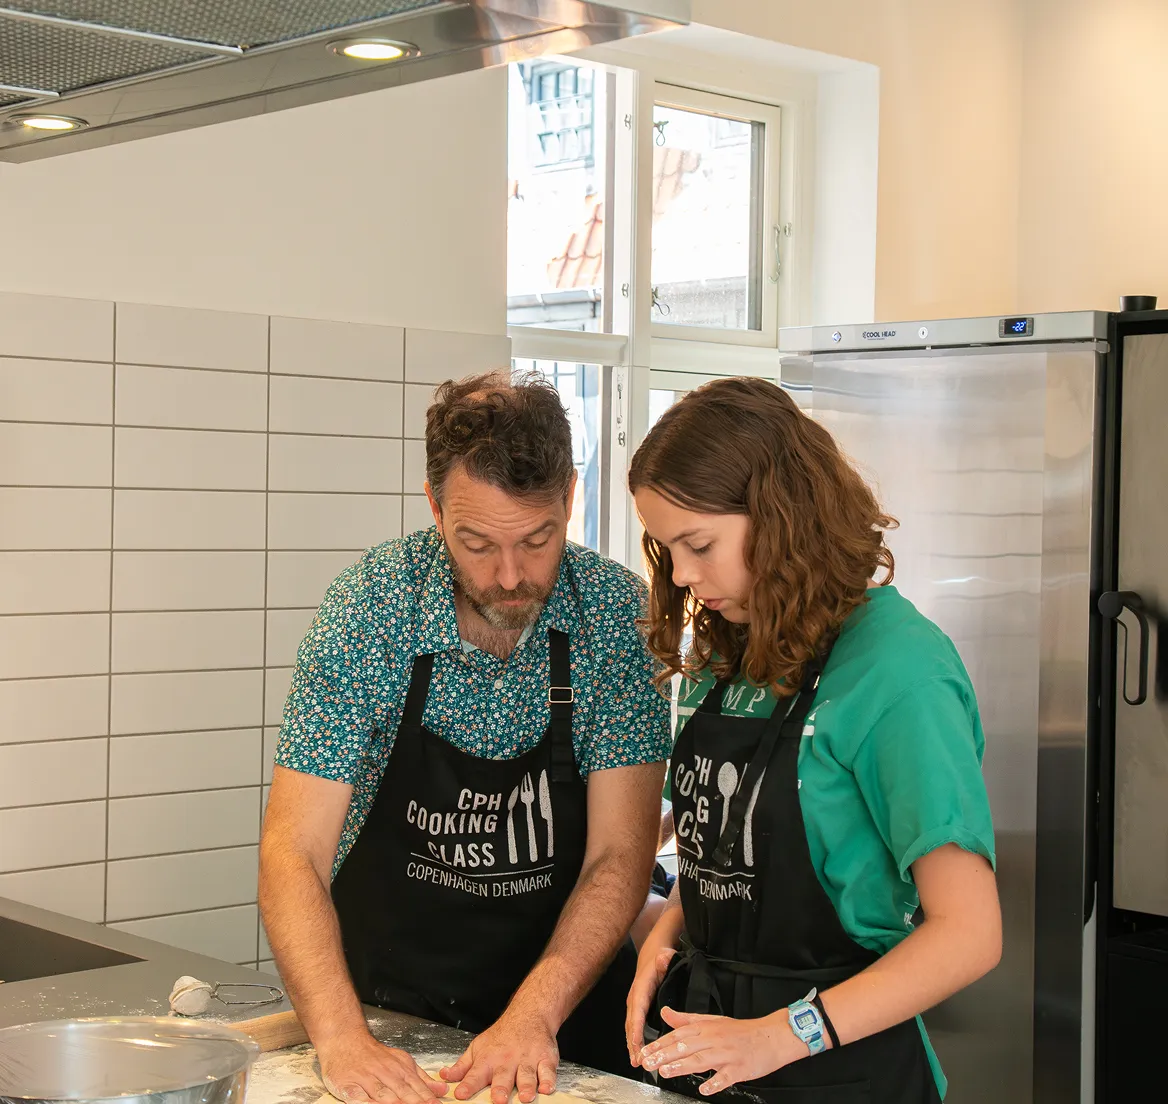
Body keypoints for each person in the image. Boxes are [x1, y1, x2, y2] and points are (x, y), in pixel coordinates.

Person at [259, 371, 670, 1104]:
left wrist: (532, 1016)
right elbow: (294, 851)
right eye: (476, 542)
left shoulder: (614, 616)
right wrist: (344, 1041)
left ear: (570, 498)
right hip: (393, 1029)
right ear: (435, 507)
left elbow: (620, 855)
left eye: (539, 540)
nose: (510, 576)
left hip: (564, 1032)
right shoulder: (373, 608)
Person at [623, 377, 1001, 1103]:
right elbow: (733, 854)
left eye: (699, 545)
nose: (684, 577)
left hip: (845, 1073)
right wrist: (674, 927)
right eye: (667, 549)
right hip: (710, 1053)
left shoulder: (898, 670)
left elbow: (970, 932)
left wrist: (781, 1034)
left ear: (782, 517)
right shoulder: (725, 651)